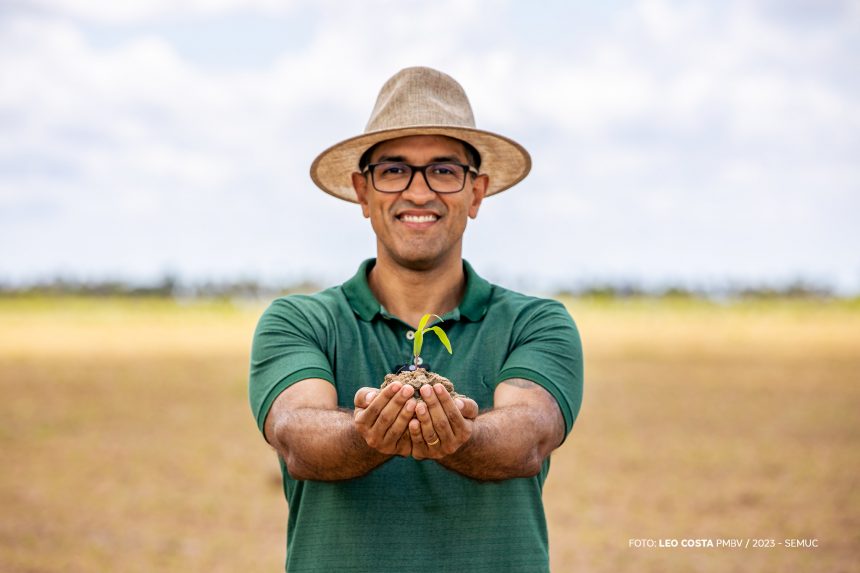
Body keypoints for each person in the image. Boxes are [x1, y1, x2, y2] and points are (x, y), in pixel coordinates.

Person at [249, 66, 583, 572]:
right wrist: (368, 432)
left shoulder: (535, 323)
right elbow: (297, 435)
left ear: (476, 193)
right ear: (363, 192)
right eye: (394, 169)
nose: (420, 193)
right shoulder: (300, 321)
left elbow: (530, 435)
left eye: (444, 170)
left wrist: (462, 434)